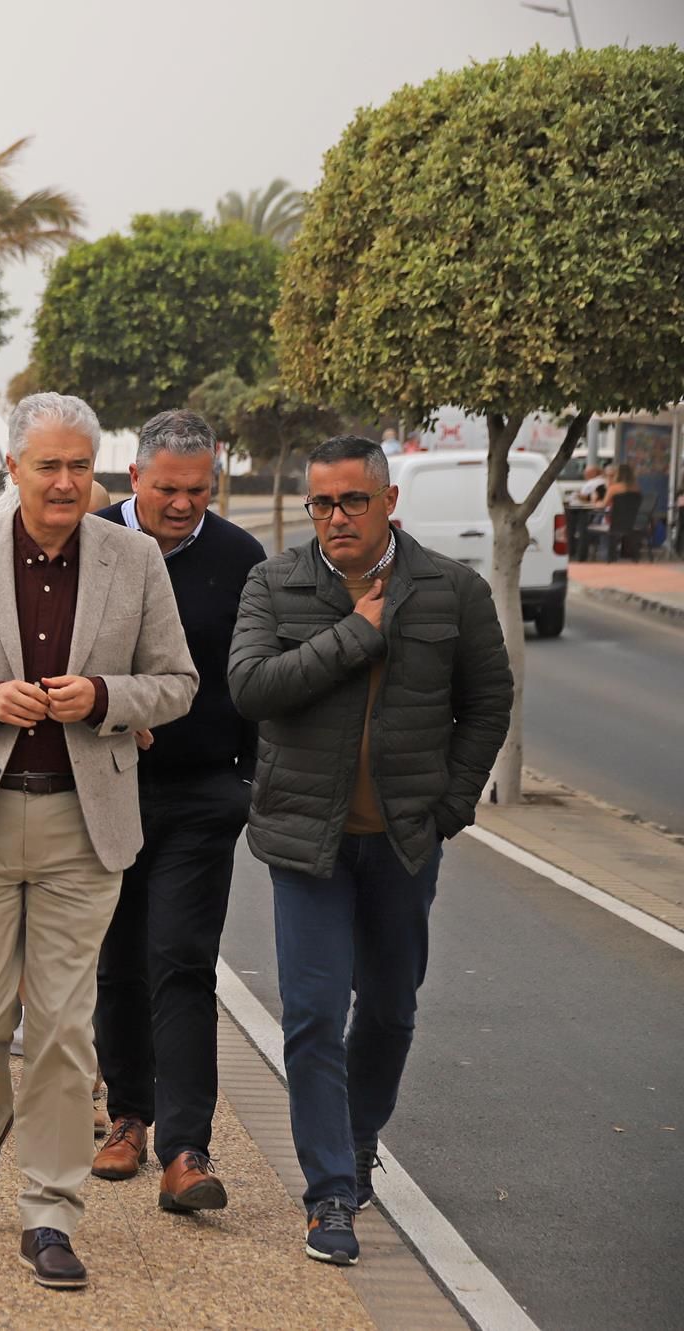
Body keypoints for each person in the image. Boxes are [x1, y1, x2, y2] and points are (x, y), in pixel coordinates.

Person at [0, 392, 198, 1291]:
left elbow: (176, 681)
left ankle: (51, 1212)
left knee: (63, 1029)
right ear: (10, 468)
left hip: (82, 821)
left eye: (79, 465)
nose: (65, 482)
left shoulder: (134, 559)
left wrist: (104, 697)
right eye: (47, 465)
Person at [230, 435, 511, 1268]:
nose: (335, 516)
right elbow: (251, 688)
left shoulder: (452, 591)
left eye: (352, 500)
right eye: (321, 502)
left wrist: (449, 805)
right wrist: (355, 633)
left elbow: (486, 701)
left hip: (401, 843)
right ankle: (329, 1195)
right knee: (314, 1014)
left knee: (389, 1008)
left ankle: (356, 1143)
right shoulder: (276, 582)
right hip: (304, 841)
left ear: (389, 501)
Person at [90, 409, 267, 1212]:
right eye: (168, 488)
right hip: (102, 782)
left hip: (200, 795)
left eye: (199, 489)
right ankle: (127, 1115)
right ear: (136, 479)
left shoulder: (239, 556)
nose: (184, 503)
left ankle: (185, 1150)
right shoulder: (87, 541)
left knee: (182, 959)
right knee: (118, 960)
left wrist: (248, 778)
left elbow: (256, 676)